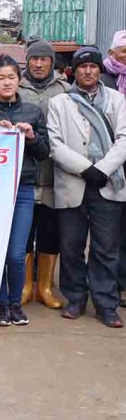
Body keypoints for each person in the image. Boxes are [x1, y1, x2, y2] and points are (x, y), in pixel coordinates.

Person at [48, 46, 126, 328]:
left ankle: (106, 303)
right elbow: (55, 144)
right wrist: (85, 169)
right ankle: (75, 298)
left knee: (106, 247)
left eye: (93, 66)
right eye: (82, 67)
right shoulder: (60, 103)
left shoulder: (116, 100)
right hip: (74, 182)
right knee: (71, 245)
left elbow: (124, 138)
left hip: (108, 183)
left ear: (100, 70)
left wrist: (102, 170)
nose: (88, 71)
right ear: (74, 71)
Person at [0, 55, 50, 326]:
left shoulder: (33, 112)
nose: (6, 82)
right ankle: (1, 304)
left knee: (17, 253)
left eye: (11, 77)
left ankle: (15, 303)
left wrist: (31, 136)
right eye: (1, 78)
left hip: (23, 190)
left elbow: (43, 153)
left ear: (19, 81)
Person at [18, 39, 69, 308]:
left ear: (52, 62)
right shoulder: (16, 87)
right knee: (23, 233)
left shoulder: (65, 91)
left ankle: (45, 287)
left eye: (44, 59)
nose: (38, 64)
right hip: (23, 176)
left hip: (54, 176)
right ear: (27, 61)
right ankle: (24, 285)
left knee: (50, 233)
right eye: (34, 59)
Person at [103, 30, 126, 306]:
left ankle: (123, 283)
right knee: (108, 230)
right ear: (112, 53)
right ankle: (107, 284)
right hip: (108, 163)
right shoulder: (104, 80)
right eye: (124, 51)